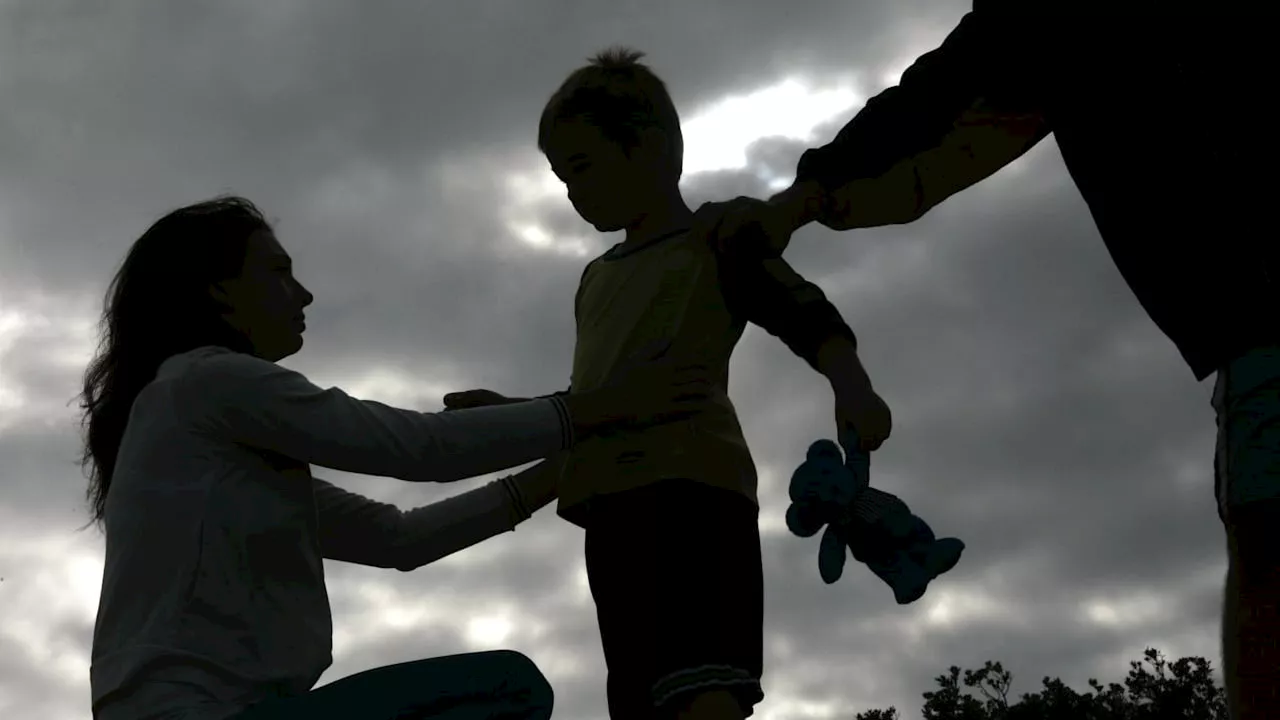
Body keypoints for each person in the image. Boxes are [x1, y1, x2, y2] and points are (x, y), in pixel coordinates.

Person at [687, 3, 1277, 718]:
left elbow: (941, 102)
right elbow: (939, 111)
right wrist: (801, 200)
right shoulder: (1039, 36)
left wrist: (798, 203)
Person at [77, 195, 717, 720]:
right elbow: (421, 449)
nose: (303, 295)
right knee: (505, 689)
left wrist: (560, 468)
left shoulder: (201, 432)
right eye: (277, 271)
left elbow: (399, 538)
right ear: (219, 292)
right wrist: (596, 409)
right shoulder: (208, 382)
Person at [441, 47, 893, 720]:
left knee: (704, 687)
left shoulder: (717, 238)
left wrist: (851, 385)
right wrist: (515, 415)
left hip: (694, 493)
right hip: (607, 508)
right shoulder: (596, 278)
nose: (574, 191)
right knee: (641, 692)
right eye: (563, 177)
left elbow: (800, 310)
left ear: (650, 148)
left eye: (584, 167)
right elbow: (598, 394)